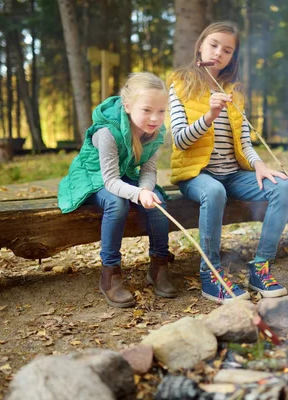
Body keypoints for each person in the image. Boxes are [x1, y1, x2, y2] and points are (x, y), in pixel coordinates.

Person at [167, 21, 288, 304]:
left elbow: (244, 142)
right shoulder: (181, 84)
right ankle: (210, 274)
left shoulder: (234, 91)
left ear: (232, 57)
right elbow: (180, 141)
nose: (218, 53)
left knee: (282, 187)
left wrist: (259, 164)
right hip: (196, 175)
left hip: (233, 174)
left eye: (227, 50)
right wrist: (209, 116)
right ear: (200, 45)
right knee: (213, 190)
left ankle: (260, 267)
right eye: (213, 45)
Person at [58, 72, 176, 308]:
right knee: (116, 202)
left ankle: (158, 266)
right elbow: (110, 180)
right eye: (147, 110)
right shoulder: (108, 132)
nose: (155, 118)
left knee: (158, 201)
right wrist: (136, 194)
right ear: (128, 106)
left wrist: (145, 190)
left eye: (161, 111)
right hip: (93, 177)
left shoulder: (154, 132)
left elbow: (149, 170)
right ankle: (110, 274)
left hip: (122, 176)